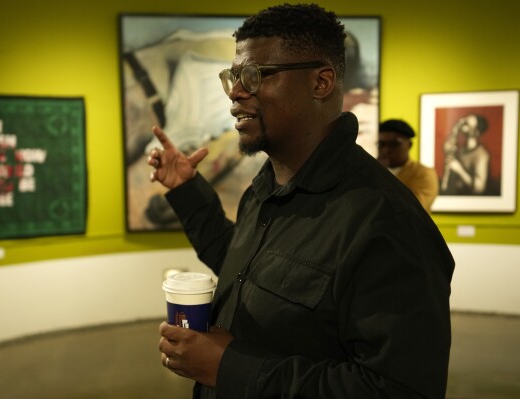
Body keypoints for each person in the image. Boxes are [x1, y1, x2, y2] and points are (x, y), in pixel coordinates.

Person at [147, 4, 455, 398]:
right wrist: (186, 190)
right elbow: (243, 267)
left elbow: (398, 389)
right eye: (233, 76)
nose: (236, 92)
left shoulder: (387, 222)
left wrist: (231, 368)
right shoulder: (265, 189)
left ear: (321, 82)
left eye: (256, 75)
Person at [377, 119, 439, 212]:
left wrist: (382, 175)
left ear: (409, 145)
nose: (386, 150)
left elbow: (415, 209)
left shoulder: (424, 173)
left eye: (394, 144)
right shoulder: (370, 171)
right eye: (382, 144)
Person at [441, 113, 491, 195]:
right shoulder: (461, 150)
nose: (463, 122)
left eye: (467, 124)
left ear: (476, 132)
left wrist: (459, 169)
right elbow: (446, 148)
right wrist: (454, 129)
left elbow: (479, 188)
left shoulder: (482, 154)